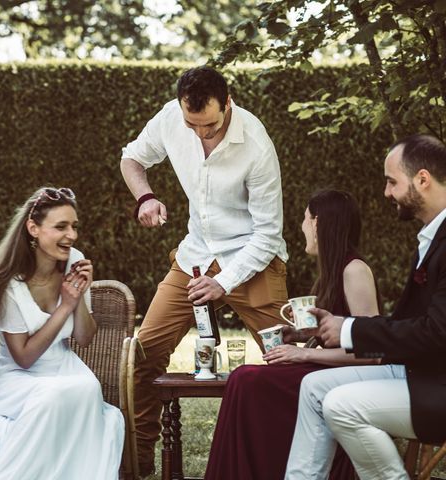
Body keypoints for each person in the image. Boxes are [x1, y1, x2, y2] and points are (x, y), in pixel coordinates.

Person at [120, 65, 289, 475]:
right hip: (194, 256)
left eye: (209, 125)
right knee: (143, 356)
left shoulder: (256, 144)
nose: (200, 134)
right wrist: (145, 197)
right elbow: (131, 158)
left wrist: (224, 281)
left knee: (290, 364)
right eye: (191, 124)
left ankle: (294, 462)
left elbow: (268, 235)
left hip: (253, 260)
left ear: (227, 103)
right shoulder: (170, 118)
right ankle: (139, 461)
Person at [285, 134, 446, 479]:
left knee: (340, 405)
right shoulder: (430, 240)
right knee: (314, 387)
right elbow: (413, 324)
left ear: (422, 179)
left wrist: (350, 328)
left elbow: (437, 331)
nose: (386, 192)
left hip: (437, 383)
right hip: (421, 371)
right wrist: (341, 329)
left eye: (392, 182)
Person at [204, 189, 380, 480]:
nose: (301, 226)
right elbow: (342, 332)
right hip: (325, 373)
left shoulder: (355, 270)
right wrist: (301, 335)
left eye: (304, 218)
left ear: (318, 223)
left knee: (246, 380)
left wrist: (304, 353)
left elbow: (371, 352)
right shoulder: (333, 271)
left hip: (345, 382)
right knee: (246, 379)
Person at [0, 187, 124, 480]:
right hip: (19, 377)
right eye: (61, 227)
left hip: (65, 365)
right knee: (53, 395)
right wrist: (65, 306)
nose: (72, 235)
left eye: (74, 226)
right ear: (33, 229)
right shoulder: (7, 286)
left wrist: (78, 297)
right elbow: (24, 358)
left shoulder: (75, 260)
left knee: (86, 388)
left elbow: (84, 338)